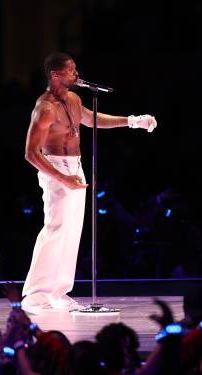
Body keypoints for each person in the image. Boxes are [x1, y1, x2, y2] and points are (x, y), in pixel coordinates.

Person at [22, 51, 157, 311]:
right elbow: (30, 153)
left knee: (73, 230)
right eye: (71, 70)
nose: (77, 74)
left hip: (76, 166)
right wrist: (63, 178)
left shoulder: (73, 99)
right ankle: (36, 294)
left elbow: (91, 119)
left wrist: (131, 122)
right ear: (55, 75)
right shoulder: (45, 107)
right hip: (55, 168)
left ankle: (58, 292)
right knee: (56, 227)